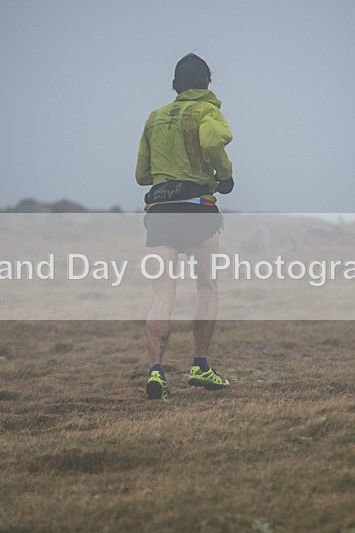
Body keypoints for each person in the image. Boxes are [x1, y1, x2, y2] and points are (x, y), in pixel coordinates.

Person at [135, 53, 235, 401]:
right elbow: (211, 142)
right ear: (208, 82)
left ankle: (156, 371)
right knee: (207, 287)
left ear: (175, 85)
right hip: (198, 210)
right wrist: (225, 174)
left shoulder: (155, 118)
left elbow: (141, 176)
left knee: (162, 295)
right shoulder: (208, 112)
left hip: (160, 212)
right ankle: (200, 365)